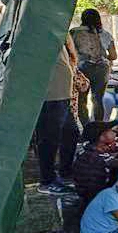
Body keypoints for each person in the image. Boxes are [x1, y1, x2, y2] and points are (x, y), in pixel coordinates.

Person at [35, 35, 80, 196]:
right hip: (50, 95)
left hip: (62, 94)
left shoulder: (59, 30)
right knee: (49, 139)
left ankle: (65, 172)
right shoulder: (41, 30)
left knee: (71, 133)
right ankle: (47, 180)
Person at [69, 8, 117, 124]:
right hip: (102, 68)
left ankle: (86, 126)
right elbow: (113, 56)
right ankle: (98, 126)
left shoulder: (74, 32)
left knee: (82, 100)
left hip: (82, 67)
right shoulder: (106, 34)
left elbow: (69, 51)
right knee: (98, 99)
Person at [72, 121, 118, 205]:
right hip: (94, 196)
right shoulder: (96, 158)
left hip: (86, 192)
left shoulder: (91, 148)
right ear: (102, 137)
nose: (114, 132)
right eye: (110, 130)